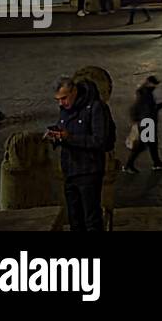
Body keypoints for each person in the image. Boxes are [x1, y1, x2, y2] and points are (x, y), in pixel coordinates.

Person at [45, 76, 115, 232]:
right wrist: (55, 136)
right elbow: (63, 130)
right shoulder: (65, 109)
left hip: (89, 170)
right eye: (58, 100)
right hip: (70, 171)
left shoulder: (96, 108)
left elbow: (100, 141)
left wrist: (69, 137)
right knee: (75, 219)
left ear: (74, 91)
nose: (61, 103)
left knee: (91, 218)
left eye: (64, 98)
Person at [124, 75, 162, 172]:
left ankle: (157, 163)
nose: (155, 86)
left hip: (146, 121)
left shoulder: (144, 92)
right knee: (142, 145)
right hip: (147, 122)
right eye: (154, 83)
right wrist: (159, 106)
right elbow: (148, 110)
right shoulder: (146, 94)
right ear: (149, 83)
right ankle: (128, 165)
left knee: (152, 144)